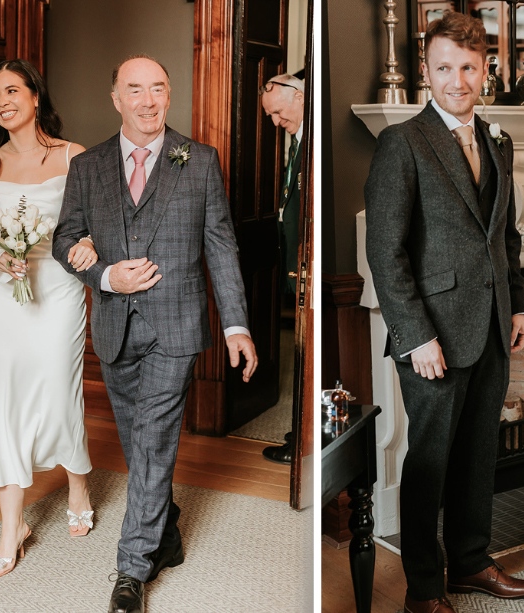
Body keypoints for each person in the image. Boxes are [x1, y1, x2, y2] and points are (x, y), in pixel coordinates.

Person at [52, 54, 258, 613]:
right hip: (114, 327)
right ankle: (164, 530)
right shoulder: (88, 167)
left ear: (169, 95)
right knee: (138, 440)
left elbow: (221, 246)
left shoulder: (200, 160)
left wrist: (236, 325)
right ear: (116, 99)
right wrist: (103, 275)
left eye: (158, 88)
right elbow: (66, 238)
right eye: (136, 89)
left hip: (177, 325)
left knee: (155, 436)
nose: (148, 101)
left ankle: (131, 568)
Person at [364, 13, 524, 613]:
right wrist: (415, 336)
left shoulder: (497, 141)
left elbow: (505, 234)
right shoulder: (402, 142)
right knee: (430, 462)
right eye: (444, 68)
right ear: (426, 70)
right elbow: (385, 251)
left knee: (477, 453)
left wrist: (518, 306)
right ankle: (423, 589)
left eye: (468, 67)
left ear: (485, 68)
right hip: (431, 337)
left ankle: (470, 562)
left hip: (491, 325)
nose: (457, 80)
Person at [0, 59, 98, 578]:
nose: (3, 102)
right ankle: (11, 526)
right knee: (4, 399)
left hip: (58, 290)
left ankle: (78, 483)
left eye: (12, 90)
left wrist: (89, 242)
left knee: (59, 390)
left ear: (35, 96)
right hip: (3, 296)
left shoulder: (72, 155)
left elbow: (94, 222)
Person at [258, 73, 305, 465]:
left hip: (305, 267)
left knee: (305, 357)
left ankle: (301, 439)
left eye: (277, 112)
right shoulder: (297, 141)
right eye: (270, 116)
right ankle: (299, 432)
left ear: (299, 96)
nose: (275, 122)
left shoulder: (312, 143)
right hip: (293, 266)